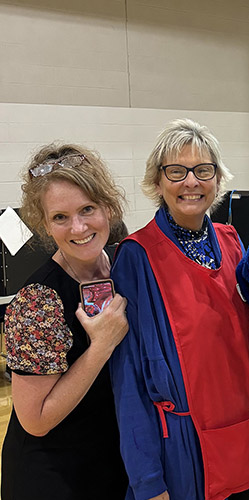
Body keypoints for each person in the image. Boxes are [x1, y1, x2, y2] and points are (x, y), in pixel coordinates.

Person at [109, 118, 249, 500]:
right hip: (183, 453)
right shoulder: (136, 257)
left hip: (243, 435)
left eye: (203, 170)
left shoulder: (233, 242)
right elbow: (128, 378)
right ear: (157, 181)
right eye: (176, 171)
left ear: (217, 179)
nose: (191, 182)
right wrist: (147, 480)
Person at [2, 143, 129, 499]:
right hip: (55, 476)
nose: (78, 227)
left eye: (88, 209)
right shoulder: (38, 301)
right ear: (45, 224)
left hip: (112, 460)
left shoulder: (125, 269)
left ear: (109, 207)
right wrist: (101, 346)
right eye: (60, 217)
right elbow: (36, 420)